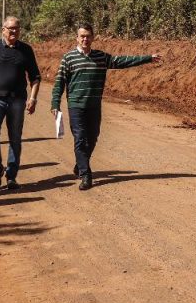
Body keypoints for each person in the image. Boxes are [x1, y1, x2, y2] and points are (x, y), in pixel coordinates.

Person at [50, 23, 162, 190]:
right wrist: (55, 103)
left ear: (93, 37)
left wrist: (148, 58)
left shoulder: (101, 57)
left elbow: (122, 61)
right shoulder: (69, 58)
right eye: (82, 36)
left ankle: (81, 163)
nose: (85, 39)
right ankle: (86, 174)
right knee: (80, 138)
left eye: (88, 36)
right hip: (76, 105)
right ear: (77, 38)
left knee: (93, 137)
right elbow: (59, 82)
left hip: (94, 106)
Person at [0, 16, 41, 190]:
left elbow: (35, 77)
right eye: (10, 28)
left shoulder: (26, 50)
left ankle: (11, 176)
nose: (14, 31)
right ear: (3, 29)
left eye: (17, 28)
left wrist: (33, 98)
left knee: (15, 138)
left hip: (17, 100)